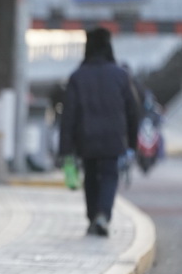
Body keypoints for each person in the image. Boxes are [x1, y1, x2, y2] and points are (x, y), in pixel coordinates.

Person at [59, 27, 139, 237]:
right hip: (113, 138)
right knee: (110, 175)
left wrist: (65, 149)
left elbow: (68, 115)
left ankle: (93, 217)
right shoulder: (120, 76)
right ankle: (103, 215)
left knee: (91, 177)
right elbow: (133, 111)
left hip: (85, 138)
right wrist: (132, 143)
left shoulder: (77, 77)